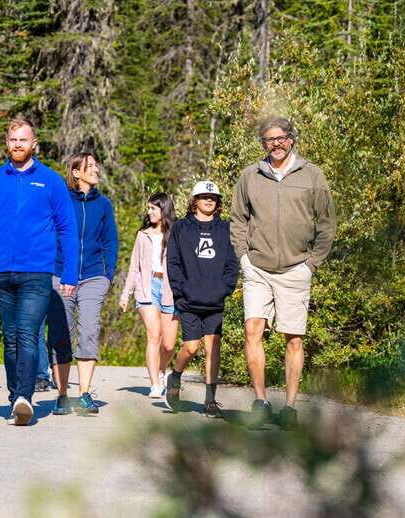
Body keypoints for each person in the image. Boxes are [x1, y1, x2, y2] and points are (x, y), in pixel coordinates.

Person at [0, 117, 78, 426]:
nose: (18, 144)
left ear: (34, 144)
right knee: (12, 337)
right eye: (13, 140)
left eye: (23, 140)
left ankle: (25, 397)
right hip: (0, 274)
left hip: (36, 272)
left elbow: (67, 229)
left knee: (28, 333)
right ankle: (15, 396)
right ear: (7, 144)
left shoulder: (51, 181)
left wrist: (69, 274)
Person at [230, 116, 336, 430]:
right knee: (252, 330)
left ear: (291, 139)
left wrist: (311, 264)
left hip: (296, 269)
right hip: (257, 268)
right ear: (262, 143)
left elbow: (327, 223)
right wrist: (244, 258)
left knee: (294, 339)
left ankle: (289, 407)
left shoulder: (312, 175)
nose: (275, 144)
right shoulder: (250, 175)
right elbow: (238, 220)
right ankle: (261, 402)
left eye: (281, 138)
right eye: (268, 140)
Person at [48, 152, 118, 415]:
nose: (96, 170)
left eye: (96, 167)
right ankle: (62, 395)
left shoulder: (104, 205)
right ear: (76, 172)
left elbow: (110, 241)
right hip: (59, 274)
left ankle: (85, 394)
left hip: (93, 276)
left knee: (89, 328)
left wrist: (107, 274)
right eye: (90, 167)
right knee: (60, 333)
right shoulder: (62, 201)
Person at [164, 181, 238, 417]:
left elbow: (232, 264)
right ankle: (175, 375)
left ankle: (210, 400)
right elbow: (172, 263)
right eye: (204, 196)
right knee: (191, 348)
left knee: (213, 348)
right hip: (189, 301)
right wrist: (182, 290)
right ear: (194, 200)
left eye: (214, 197)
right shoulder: (181, 228)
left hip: (215, 301)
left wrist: (224, 288)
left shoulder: (226, 229)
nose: (209, 200)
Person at [120, 193, 178, 399]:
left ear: (164, 209)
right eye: (148, 208)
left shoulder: (176, 233)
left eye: (153, 208)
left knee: (169, 344)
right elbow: (134, 267)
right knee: (154, 335)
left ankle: (162, 370)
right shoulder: (142, 235)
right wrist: (126, 293)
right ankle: (154, 383)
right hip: (147, 287)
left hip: (171, 290)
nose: (149, 212)